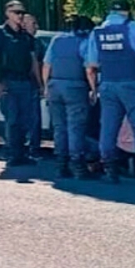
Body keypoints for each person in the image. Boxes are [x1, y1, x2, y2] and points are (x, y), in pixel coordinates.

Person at [86, 0, 135, 186]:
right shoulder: (132, 27)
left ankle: (110, 171)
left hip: (107, 84)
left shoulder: (97, 32)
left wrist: (94, 88)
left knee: (108, 127)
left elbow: (92, 64)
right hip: (133, 83)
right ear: (127, 12)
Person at [0, 0, 41, 168]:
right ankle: (12, 153)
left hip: (25, 82)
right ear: (7, 14)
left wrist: (39, 84)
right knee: (12, 119)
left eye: (21, 13)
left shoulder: (26, 37)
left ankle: (22, 153)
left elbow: (33, 62)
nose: (19, 15)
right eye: (16, 12)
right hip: (8, 81)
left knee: (26, 120)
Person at [43, 15, 95, 179]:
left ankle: (60, 165)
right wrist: (94, 89)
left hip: (54, 86)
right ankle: (78, 167)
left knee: (59, 128)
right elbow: (89, 69)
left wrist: (45, 87)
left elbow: (47, 65)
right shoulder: (86, 42)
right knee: (76, 127)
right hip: (75, 87)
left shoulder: (57, 40)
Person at [23, 13, 45, 159]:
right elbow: (36, 64)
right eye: (34, 24)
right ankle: (33, 149)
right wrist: (41, 84)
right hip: (29, 85)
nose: (36, 27)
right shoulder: (33, 43)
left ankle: (15, 149)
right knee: (34, 118)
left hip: (15, 85)